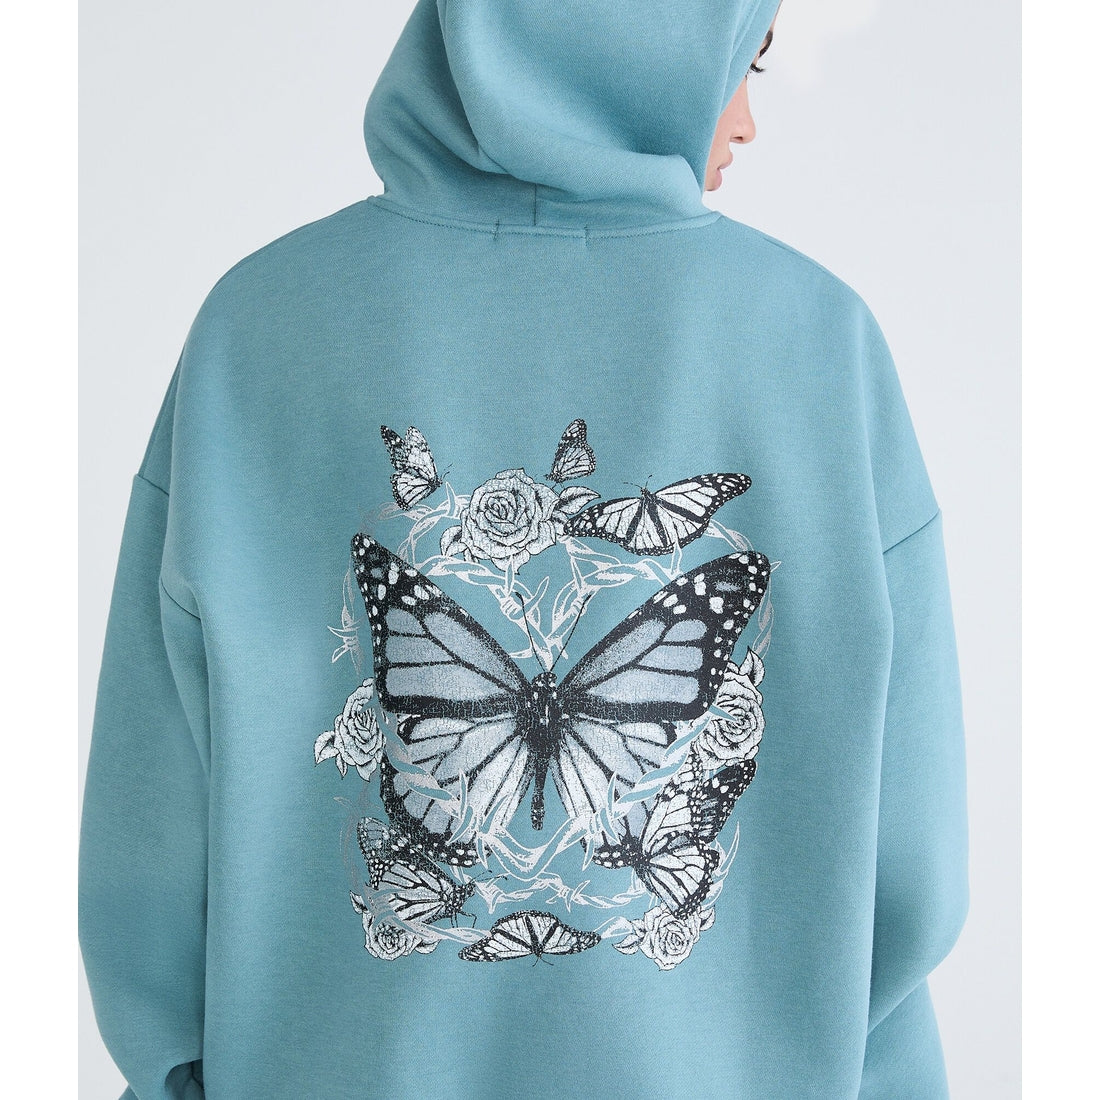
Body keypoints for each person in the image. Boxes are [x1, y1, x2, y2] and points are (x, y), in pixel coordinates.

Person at [79, 1, 968, 1097]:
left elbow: (150, 833)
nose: (744, 118)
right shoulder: (820, 346)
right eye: (746, 59)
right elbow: (908, 872)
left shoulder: (256, 328)